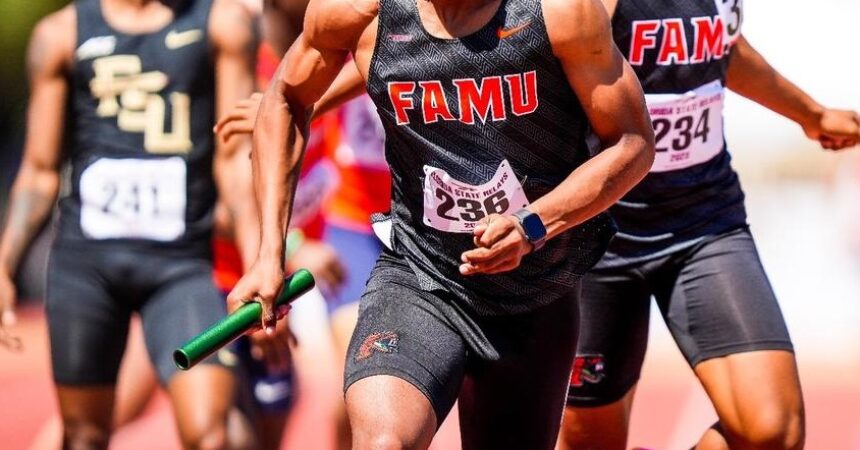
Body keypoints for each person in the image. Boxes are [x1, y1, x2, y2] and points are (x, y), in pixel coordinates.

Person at [227, 0, 656, 448]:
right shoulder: (359, 10)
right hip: (419, 276)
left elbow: (632, 142)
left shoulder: (561, 12)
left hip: (533, 290)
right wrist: (268, 255)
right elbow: (287, 97)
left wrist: (533, 224)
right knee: (384, 442)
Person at [559, 1, 860, 449]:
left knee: (772, 431)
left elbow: (722, 48)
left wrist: (810, 115)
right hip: (597, 237)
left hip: (703, 220)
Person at [0, 0, 261, 448]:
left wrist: (261, 261)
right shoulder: (59, 34)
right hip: (87, 266)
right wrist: (4, 268)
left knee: (212, 434)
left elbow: (235, 162)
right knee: (84, 436)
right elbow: (40, 171)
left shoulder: (224, 25)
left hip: (182, 266)